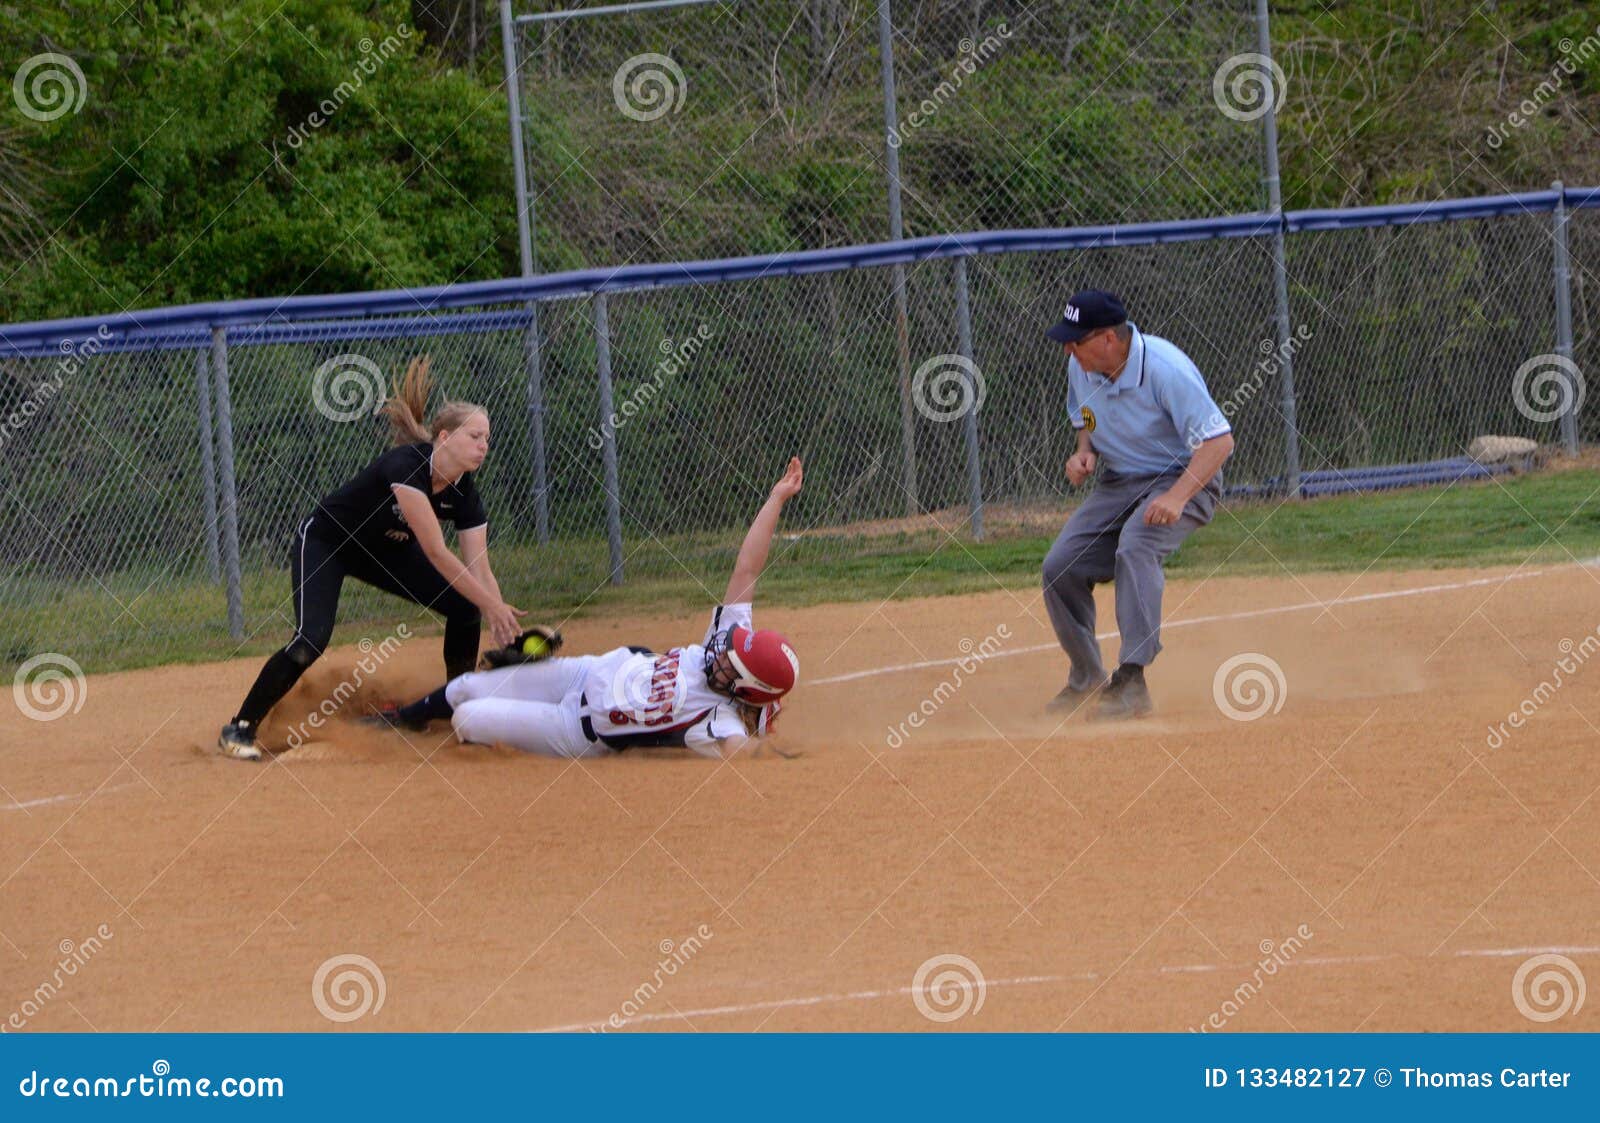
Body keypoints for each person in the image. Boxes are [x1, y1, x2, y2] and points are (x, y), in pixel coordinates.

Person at [371, 457, 805, 759]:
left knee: (467, 718)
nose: (725, 655)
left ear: (746, 691)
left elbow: (740, 753)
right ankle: (401, 720)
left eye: (734, 666)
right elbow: (747, 569)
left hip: (575, 730)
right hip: (587, 671)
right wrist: (776, 499)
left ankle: (493, 734)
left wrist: (769, 737)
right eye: (732, 651)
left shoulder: (718, 718)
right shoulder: (722, 647)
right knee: (463, 687)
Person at [217, 357, 523, 761]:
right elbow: (436, 551)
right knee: (312, 639)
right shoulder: (406, 466)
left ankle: (460, 707)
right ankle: (240, 728)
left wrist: (501, 618)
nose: (484, 445)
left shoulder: (465, 492)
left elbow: (478, 567)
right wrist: (493, 606)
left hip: (385, 552)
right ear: (445, 437)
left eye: (487, 437)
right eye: (475, 436)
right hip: (329, 542)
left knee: (466, 605)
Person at [1040, 290, 1235, 720]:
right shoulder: (1081, 366)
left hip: (1186, 476)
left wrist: (1177, 496)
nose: (1069, 349)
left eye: (1077, 340)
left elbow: (1219, 442)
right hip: (1120, 481)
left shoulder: (1166, 370)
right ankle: (1087, 678)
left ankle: (1131, 682)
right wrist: (1083, 451)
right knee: (1060, 567)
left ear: (1109, 339)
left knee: (1137, 546)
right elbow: (1084, 417)